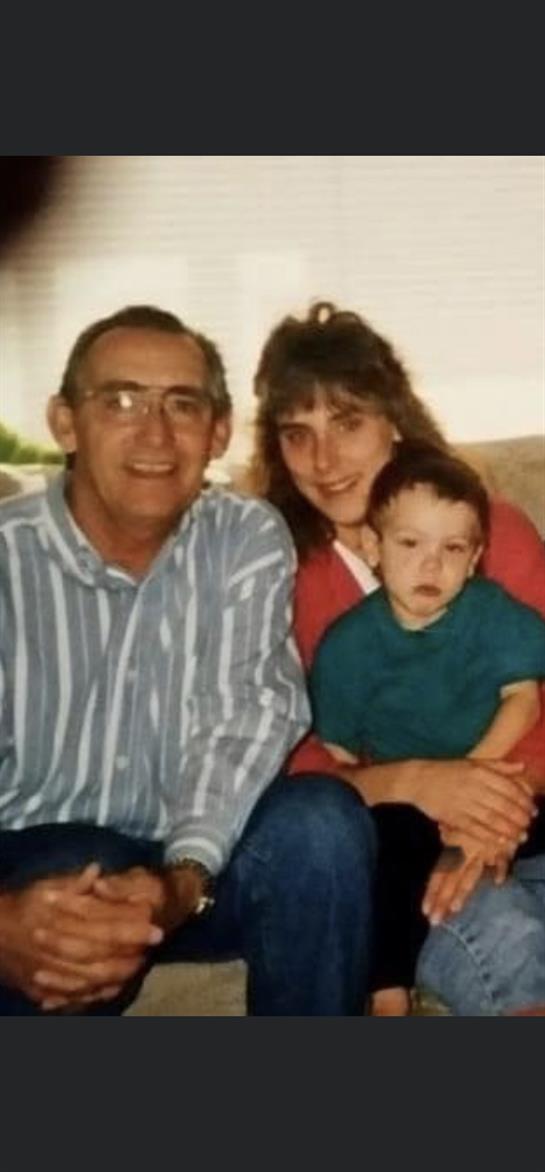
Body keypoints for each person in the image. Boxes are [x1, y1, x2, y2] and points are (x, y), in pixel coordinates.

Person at [0, 303, 378, 1016]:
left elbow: (246, 716)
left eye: (182, 404)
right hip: (30, 869)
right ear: (63, 421)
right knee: (82, 864)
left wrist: (181, 878)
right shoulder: (7, 558)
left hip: (200, 861)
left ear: (218, 432)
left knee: (321, 825)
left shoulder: (244, 536)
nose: (154, 433)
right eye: (119, 400)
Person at [250, 300, 545, 1015]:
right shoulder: (272, 571)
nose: (324, 461)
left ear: (394, 420)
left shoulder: (484, 528)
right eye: (298, 434)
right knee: (507, 942)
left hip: (518, 811)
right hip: (404, 846)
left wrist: (488, 810)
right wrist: (417, 783)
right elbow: (286, 759)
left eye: (346, 423)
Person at [309, 442, 545, 1014]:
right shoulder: (346, 646)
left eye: (452, 548)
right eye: (410, 544)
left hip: (495, 783)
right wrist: (425, 791)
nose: (431, 565)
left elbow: (525, 701)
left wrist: (476, 783)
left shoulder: (492, 612)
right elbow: (335, 757)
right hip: (408, 804)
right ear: (373, 546)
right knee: (386, 847)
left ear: (475, 557)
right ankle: (387, 990)